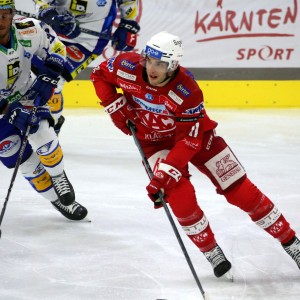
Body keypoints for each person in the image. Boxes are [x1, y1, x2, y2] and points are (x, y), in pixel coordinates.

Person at [90, 31, 300, 278]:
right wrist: (113, 105)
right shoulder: (126, 65)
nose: (152, 69)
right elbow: (99, 75)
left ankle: (291, 243)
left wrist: (164, 176)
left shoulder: (187, 89)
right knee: (180, 197)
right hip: (153, 143)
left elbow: (188, 141)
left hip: (198, 137)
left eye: (161, 64)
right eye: (149, 60)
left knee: (240, 190)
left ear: (174, 65)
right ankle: (211, 251)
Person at [0, 0, 88, 221]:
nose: (0, 21)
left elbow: (56, 47)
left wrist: (49, 76)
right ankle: (55, 199)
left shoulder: (27, 28)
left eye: (4, 14)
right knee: (19, 157)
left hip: (25, 93)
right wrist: (8, 108)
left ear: (13, 14)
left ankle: (58, 176)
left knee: (42, 132)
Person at [31, 0, 140, 134]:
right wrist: (47, 12)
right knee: (28, 73)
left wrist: (128, 23)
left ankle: (49, 131)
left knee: (54, 79)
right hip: (53, 25)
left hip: (88, 40)